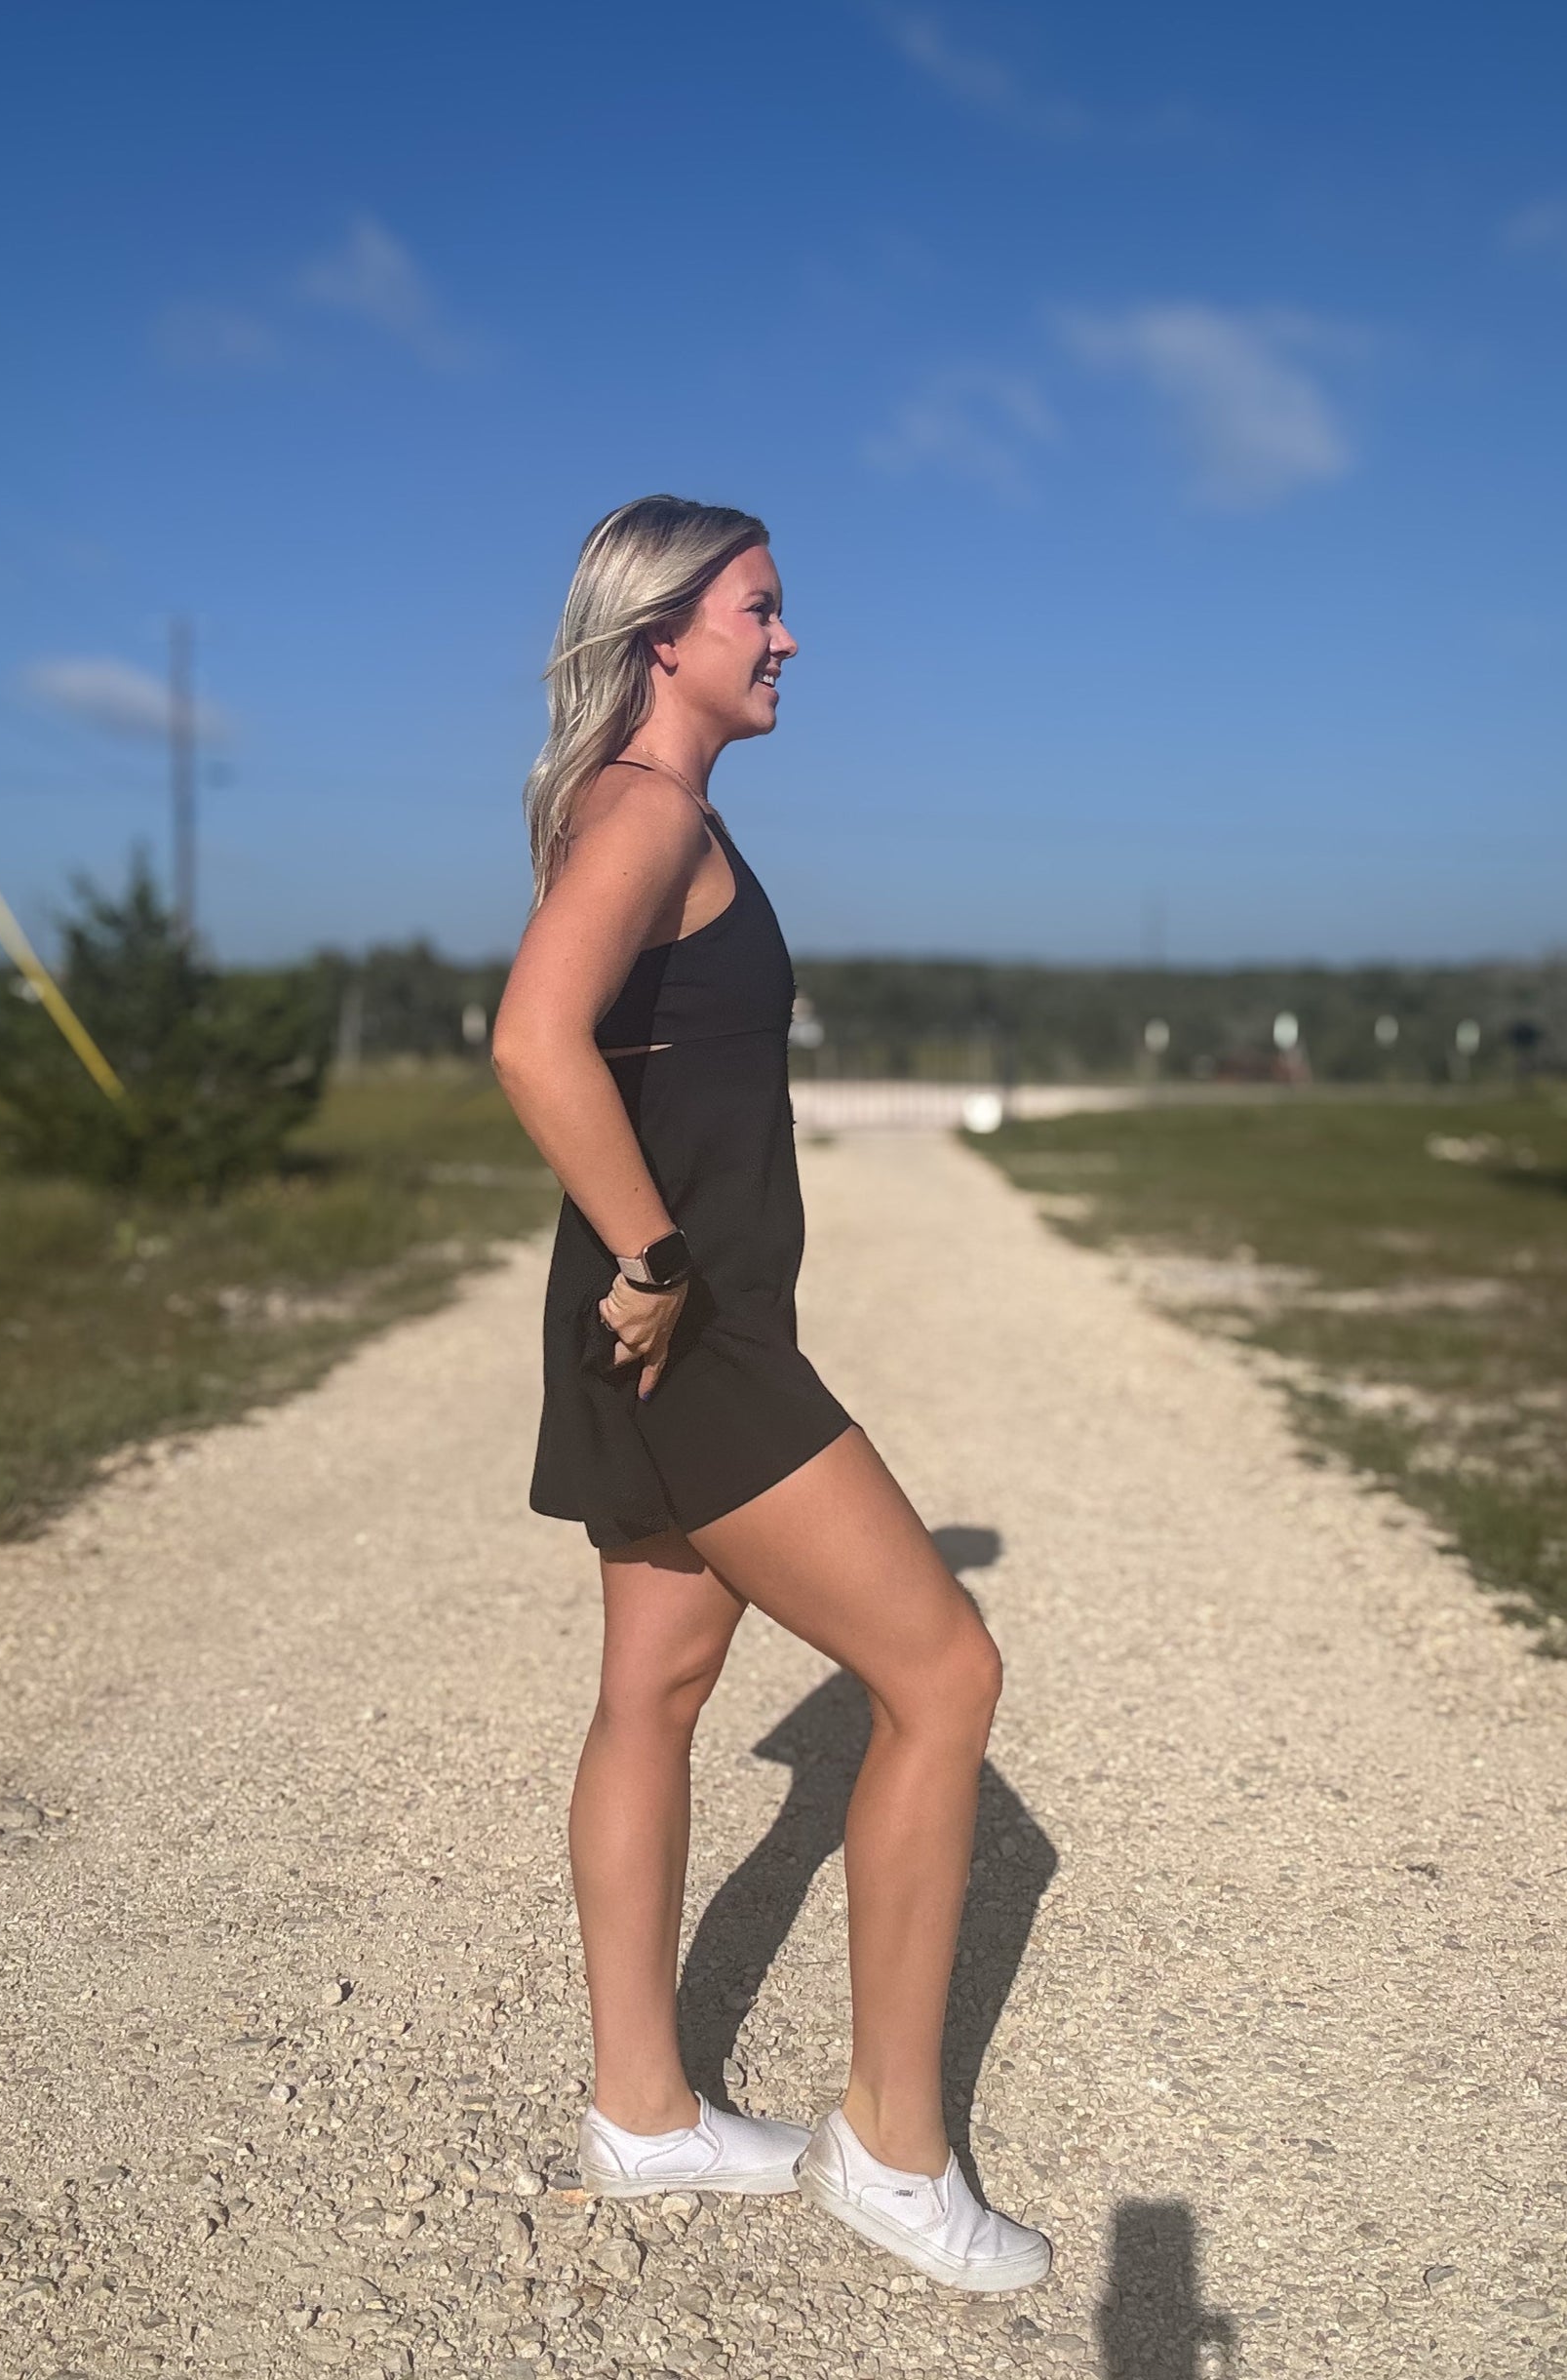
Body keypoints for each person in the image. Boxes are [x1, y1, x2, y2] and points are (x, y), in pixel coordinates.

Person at [490, 496, 1049, 2293]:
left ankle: (643, 2113)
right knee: (944, 1673)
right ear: (667, 636)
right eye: (761, 608)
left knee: (650, 1691)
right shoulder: (649, 812)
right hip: (688, 1327)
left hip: (645, 1318)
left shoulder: (629, 807)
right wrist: (656, 1261)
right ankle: (892, 2152)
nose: (788, 638)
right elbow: (529, 1037)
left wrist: (634, 1272)